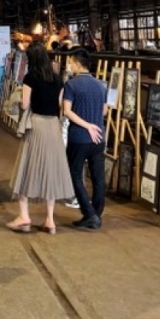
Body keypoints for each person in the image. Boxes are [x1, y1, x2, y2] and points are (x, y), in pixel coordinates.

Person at [6, 45, 75, 235]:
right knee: (50, 170)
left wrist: (17, 99)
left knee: (27, 168)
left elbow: (25, 104)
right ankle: (50, 220)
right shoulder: (57, 78)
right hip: (53, 126)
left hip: (36, 125)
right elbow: (60, 106)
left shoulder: (30, 77)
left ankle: (24, 217)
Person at [63, 48, 108, 230]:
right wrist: (93, 123)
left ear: (77, 63)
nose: (69, 66)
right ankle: (96, 214)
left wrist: (86, 125)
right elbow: (104, 111)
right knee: (98, 178)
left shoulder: (71, 85)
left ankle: (89, 214)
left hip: (79, 138)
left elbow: (67, 111)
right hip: (98, 138)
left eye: (70, 62)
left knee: (74, 175)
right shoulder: (101, 85)